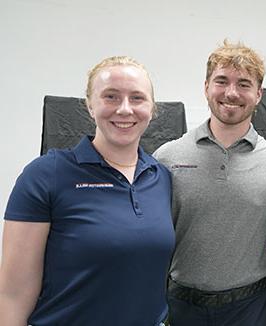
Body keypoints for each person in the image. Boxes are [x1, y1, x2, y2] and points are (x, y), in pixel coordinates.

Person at [0, 56, 175, 325]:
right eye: (111, 97)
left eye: (137, 98)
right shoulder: (45, 175)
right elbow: (13, 294)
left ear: (152, 109)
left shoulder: (161, 177)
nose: (125, 109)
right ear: (90, 105)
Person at [153, 40, 266, 326]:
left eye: (244, 84)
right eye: (222, 81)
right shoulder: (167, 157)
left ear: (258, 94)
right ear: (206, 86)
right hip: (182, 307)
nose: (231, 93)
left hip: (253, 308)